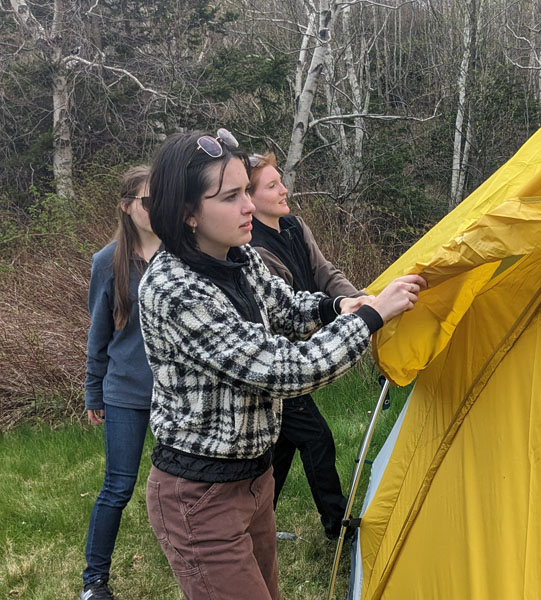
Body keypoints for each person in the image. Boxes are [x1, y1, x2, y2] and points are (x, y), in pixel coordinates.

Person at [138, 129, 424, 600]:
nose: (249, 207)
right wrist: (371, 318)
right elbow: (284, 370)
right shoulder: (174, 290)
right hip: (199, 496)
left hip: (254, 479)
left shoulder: (239, 256)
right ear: (187, 213)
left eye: (247, 192)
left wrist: (340, 308)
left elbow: (287, 307)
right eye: (230, 196)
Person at [247, 152, 363, 540]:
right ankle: (338, 525)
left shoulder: (294, 226)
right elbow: (289, 306)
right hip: (282, 362)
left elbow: (326, 274)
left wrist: (360, 303)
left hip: (306, 347)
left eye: (281, 181)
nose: (284, 190)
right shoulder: (254, 249)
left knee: (282, 447)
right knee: (316, 438)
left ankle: (256, 525)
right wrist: (351, 323)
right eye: (272, 185)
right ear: (250, 197)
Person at [80, 166, 160, 600]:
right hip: (125, 392)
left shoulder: (182, 255)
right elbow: (99, 332)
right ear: (128, 207)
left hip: (175, 392)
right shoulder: (107, 262)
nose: (156, 208)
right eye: (148, 201)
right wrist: (94, 391)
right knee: (119, 485)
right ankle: (94, 580)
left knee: (181, 485)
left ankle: (191, 552)